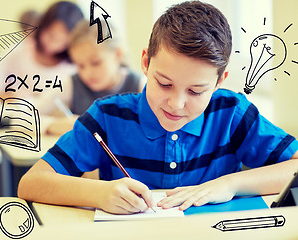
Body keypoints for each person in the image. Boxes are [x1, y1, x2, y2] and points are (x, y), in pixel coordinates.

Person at [18, 1, 298, 214]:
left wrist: (229, 184)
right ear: (145, 63)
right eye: (164, 84)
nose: (176, 104)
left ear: (219, 82)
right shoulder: (107, 116)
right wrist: (98, 193)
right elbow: (31, 183)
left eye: (196, 91)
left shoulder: (232, 113)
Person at [40, 19, 145, 135]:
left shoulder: (140, 86)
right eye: (80, 65)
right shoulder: (72, 84)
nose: (87, 73)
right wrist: (53, 125)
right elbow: (22, 114)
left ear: (118, 54)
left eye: (96, 63)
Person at [0, 1, 84, 102]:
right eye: (51, 35)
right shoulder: (18, 52)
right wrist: (9, 98)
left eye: (62, 41)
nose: (54, 44)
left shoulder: (74, 66)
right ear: (42, 26)